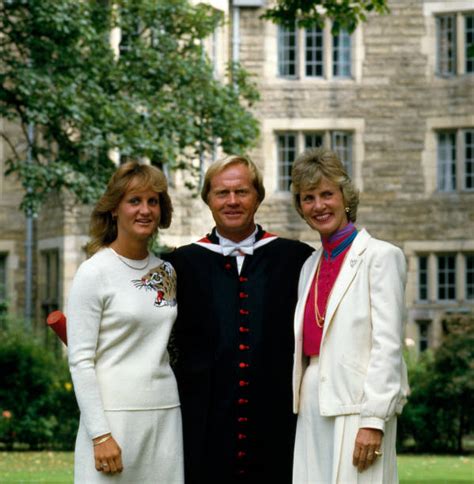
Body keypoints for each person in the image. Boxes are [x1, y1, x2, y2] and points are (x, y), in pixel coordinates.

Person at [164, 155, 314, 484]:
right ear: (208, 200)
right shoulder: (180, 264)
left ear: (258, 196)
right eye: (222, 193)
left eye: (242, 192)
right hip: (203, 430)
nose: (232, 201)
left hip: (277, 428)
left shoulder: (296, 259)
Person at [290, 147, 409, 483]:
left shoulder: (381, 256)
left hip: (358, 407)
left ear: (345, 197)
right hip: (312, 403)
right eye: (308, 198)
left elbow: (387, 345)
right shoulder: (309, 266)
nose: (319, 205)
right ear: (301, 207)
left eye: (327, 194)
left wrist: (374, 420)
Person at [67, 161, 184, 483]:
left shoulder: (167, 272)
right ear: (115, 209)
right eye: (134, 201)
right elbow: (80, 360)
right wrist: (100, 434)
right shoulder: (94, 272)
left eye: (153, 201)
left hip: (165, 415)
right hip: (113, 419)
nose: (145, 210)